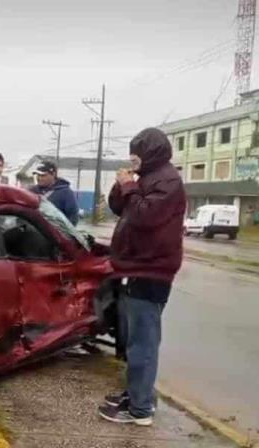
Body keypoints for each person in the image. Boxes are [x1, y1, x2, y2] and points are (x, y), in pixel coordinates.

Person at [98, 128, 186, 426]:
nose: (133, 159)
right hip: (134, 267)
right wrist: (121, 185)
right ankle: (137, 393)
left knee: (143, 343)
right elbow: (120, 208)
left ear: (150, 153)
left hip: (150, 270)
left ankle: (140, 410)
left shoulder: (168, 181)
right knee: (132, 339)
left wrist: (130, 187)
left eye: (137, 154)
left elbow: (144, 216)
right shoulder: (148, 178)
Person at [31, 160, 79, 224]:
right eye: (38, 175)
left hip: (54, 231)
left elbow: (73, 217)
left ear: (53, 174)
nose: (39, 178)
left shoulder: (66, 193)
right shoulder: (32, 191)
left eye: (43, 175)